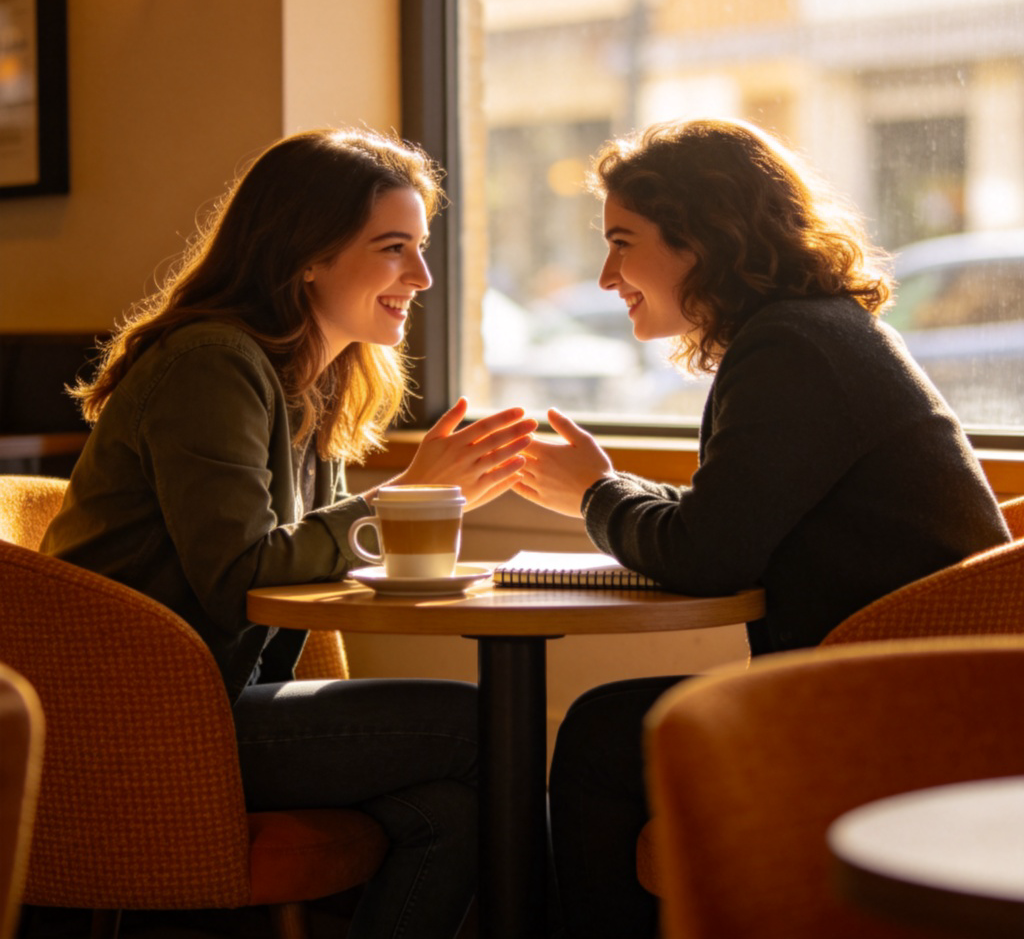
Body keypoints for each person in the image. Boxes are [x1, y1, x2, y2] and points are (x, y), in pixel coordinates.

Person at [513, 117, 1012, 938]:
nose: (606, 275)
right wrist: (607, 489)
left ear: (701, 240)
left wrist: (597, 496)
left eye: (623, 241)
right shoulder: (809, 332)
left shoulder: (791, 348)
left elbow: (707, 554)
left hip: (893, 712)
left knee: (604, 737)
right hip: (941, 696)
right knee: (612, 728)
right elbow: (729, 517)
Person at [42, 127, 538, 939]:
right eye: (393, 248)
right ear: (307, 254)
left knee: (451, 808)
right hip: (133, 721)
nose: (422, 276)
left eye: (419, 248)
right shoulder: (213, 363)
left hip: (210, 697)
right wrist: (410, 495)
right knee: (482, 727)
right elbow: (242, 576)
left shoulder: (312, 380)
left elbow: (305, 561)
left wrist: (417, 506)